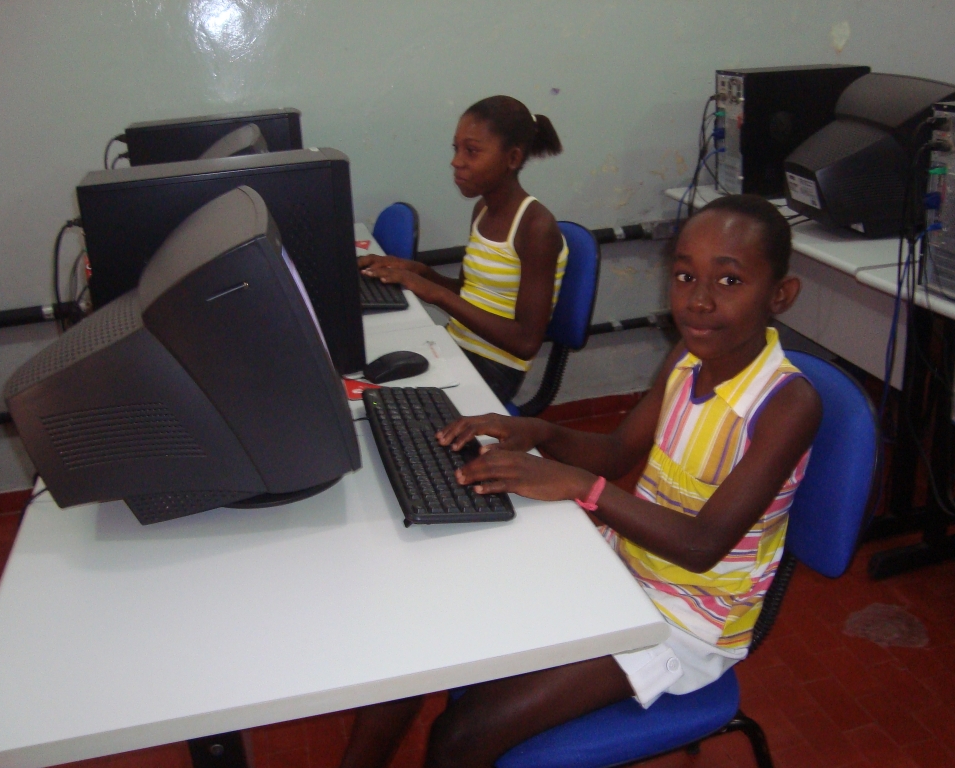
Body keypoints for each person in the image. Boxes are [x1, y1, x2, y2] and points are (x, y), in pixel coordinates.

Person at [339, 194, 822, 768]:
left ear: (780, 295)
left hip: (689, 619)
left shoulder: (787, 404)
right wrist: (536, 430)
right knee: (418, 638)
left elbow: (701, 546)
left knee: (463, 736)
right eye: (685, 276)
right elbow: (616, 453)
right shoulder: (687, 358)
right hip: (622, 565)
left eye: (730, 281)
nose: (698, 300)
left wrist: (577, 485)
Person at [359, 95, 568, 403]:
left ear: (512, 158)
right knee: (366, 382)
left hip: (495, 369)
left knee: (389, 406)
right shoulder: (482, 210)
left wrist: (435, 293)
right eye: (456, 149)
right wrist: (418, 272)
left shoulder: (536, 227)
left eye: (471, 151)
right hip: (457, 345)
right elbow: (469, 294)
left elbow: (525, 342)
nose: (456, 161)